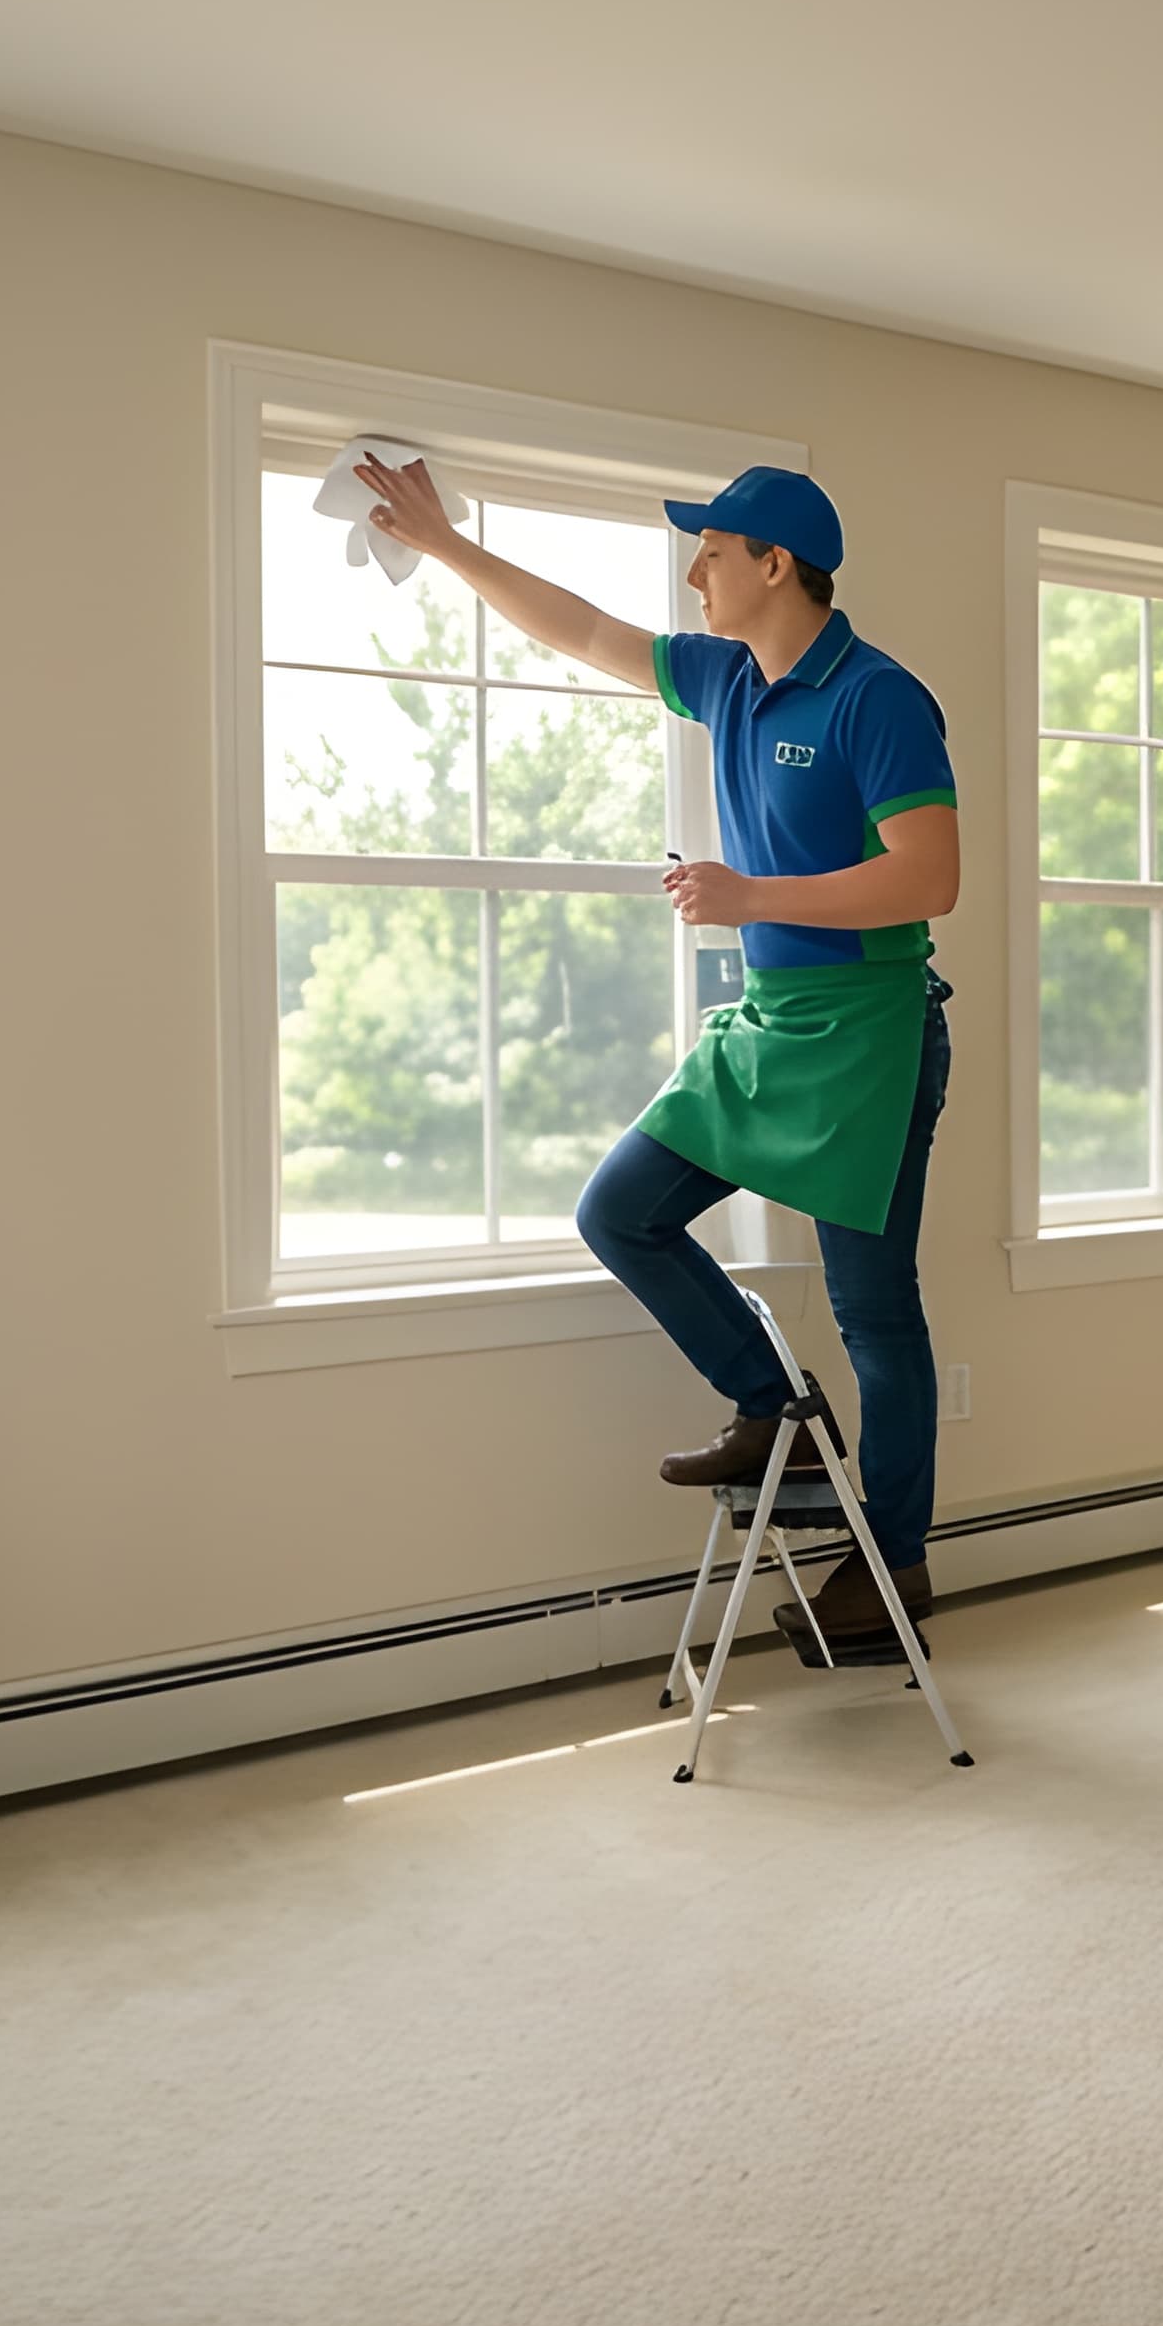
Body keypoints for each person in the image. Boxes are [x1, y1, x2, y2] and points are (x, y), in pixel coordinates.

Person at [354, 455, 959, 1664]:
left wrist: (749, 892)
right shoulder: (728, 678)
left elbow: (930, 877)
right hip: (770, 1018)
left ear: (775, 564)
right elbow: (580, 628)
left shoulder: (878, 698)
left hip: (870, 1030)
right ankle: (777, 1409)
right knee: (620, 1209)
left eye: (713, 552)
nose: (695, 572)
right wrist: (446, 541)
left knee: (874, 1312)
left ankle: (891, 1565)